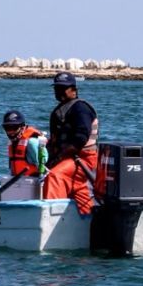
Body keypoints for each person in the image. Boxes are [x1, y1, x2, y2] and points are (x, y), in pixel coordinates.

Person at [43, 71, 98, 215]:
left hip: (83, 160)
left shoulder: (80, 108)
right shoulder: (60, 111)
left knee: (55, 176)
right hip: (68, 160)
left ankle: (51, 217)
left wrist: (61, 156)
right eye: (56, 88)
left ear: (74, 90)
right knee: (79, 190)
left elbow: (81, 137)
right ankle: (88, 218)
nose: (59, 91)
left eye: (63, 88)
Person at [1, 110, 47, 177]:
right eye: (7, 128)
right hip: (19, 182)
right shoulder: (12, 143)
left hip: (34, 181)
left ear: (22, 127)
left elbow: (43, 169)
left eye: (14, 127)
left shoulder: (32, 143)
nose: (11, 131)